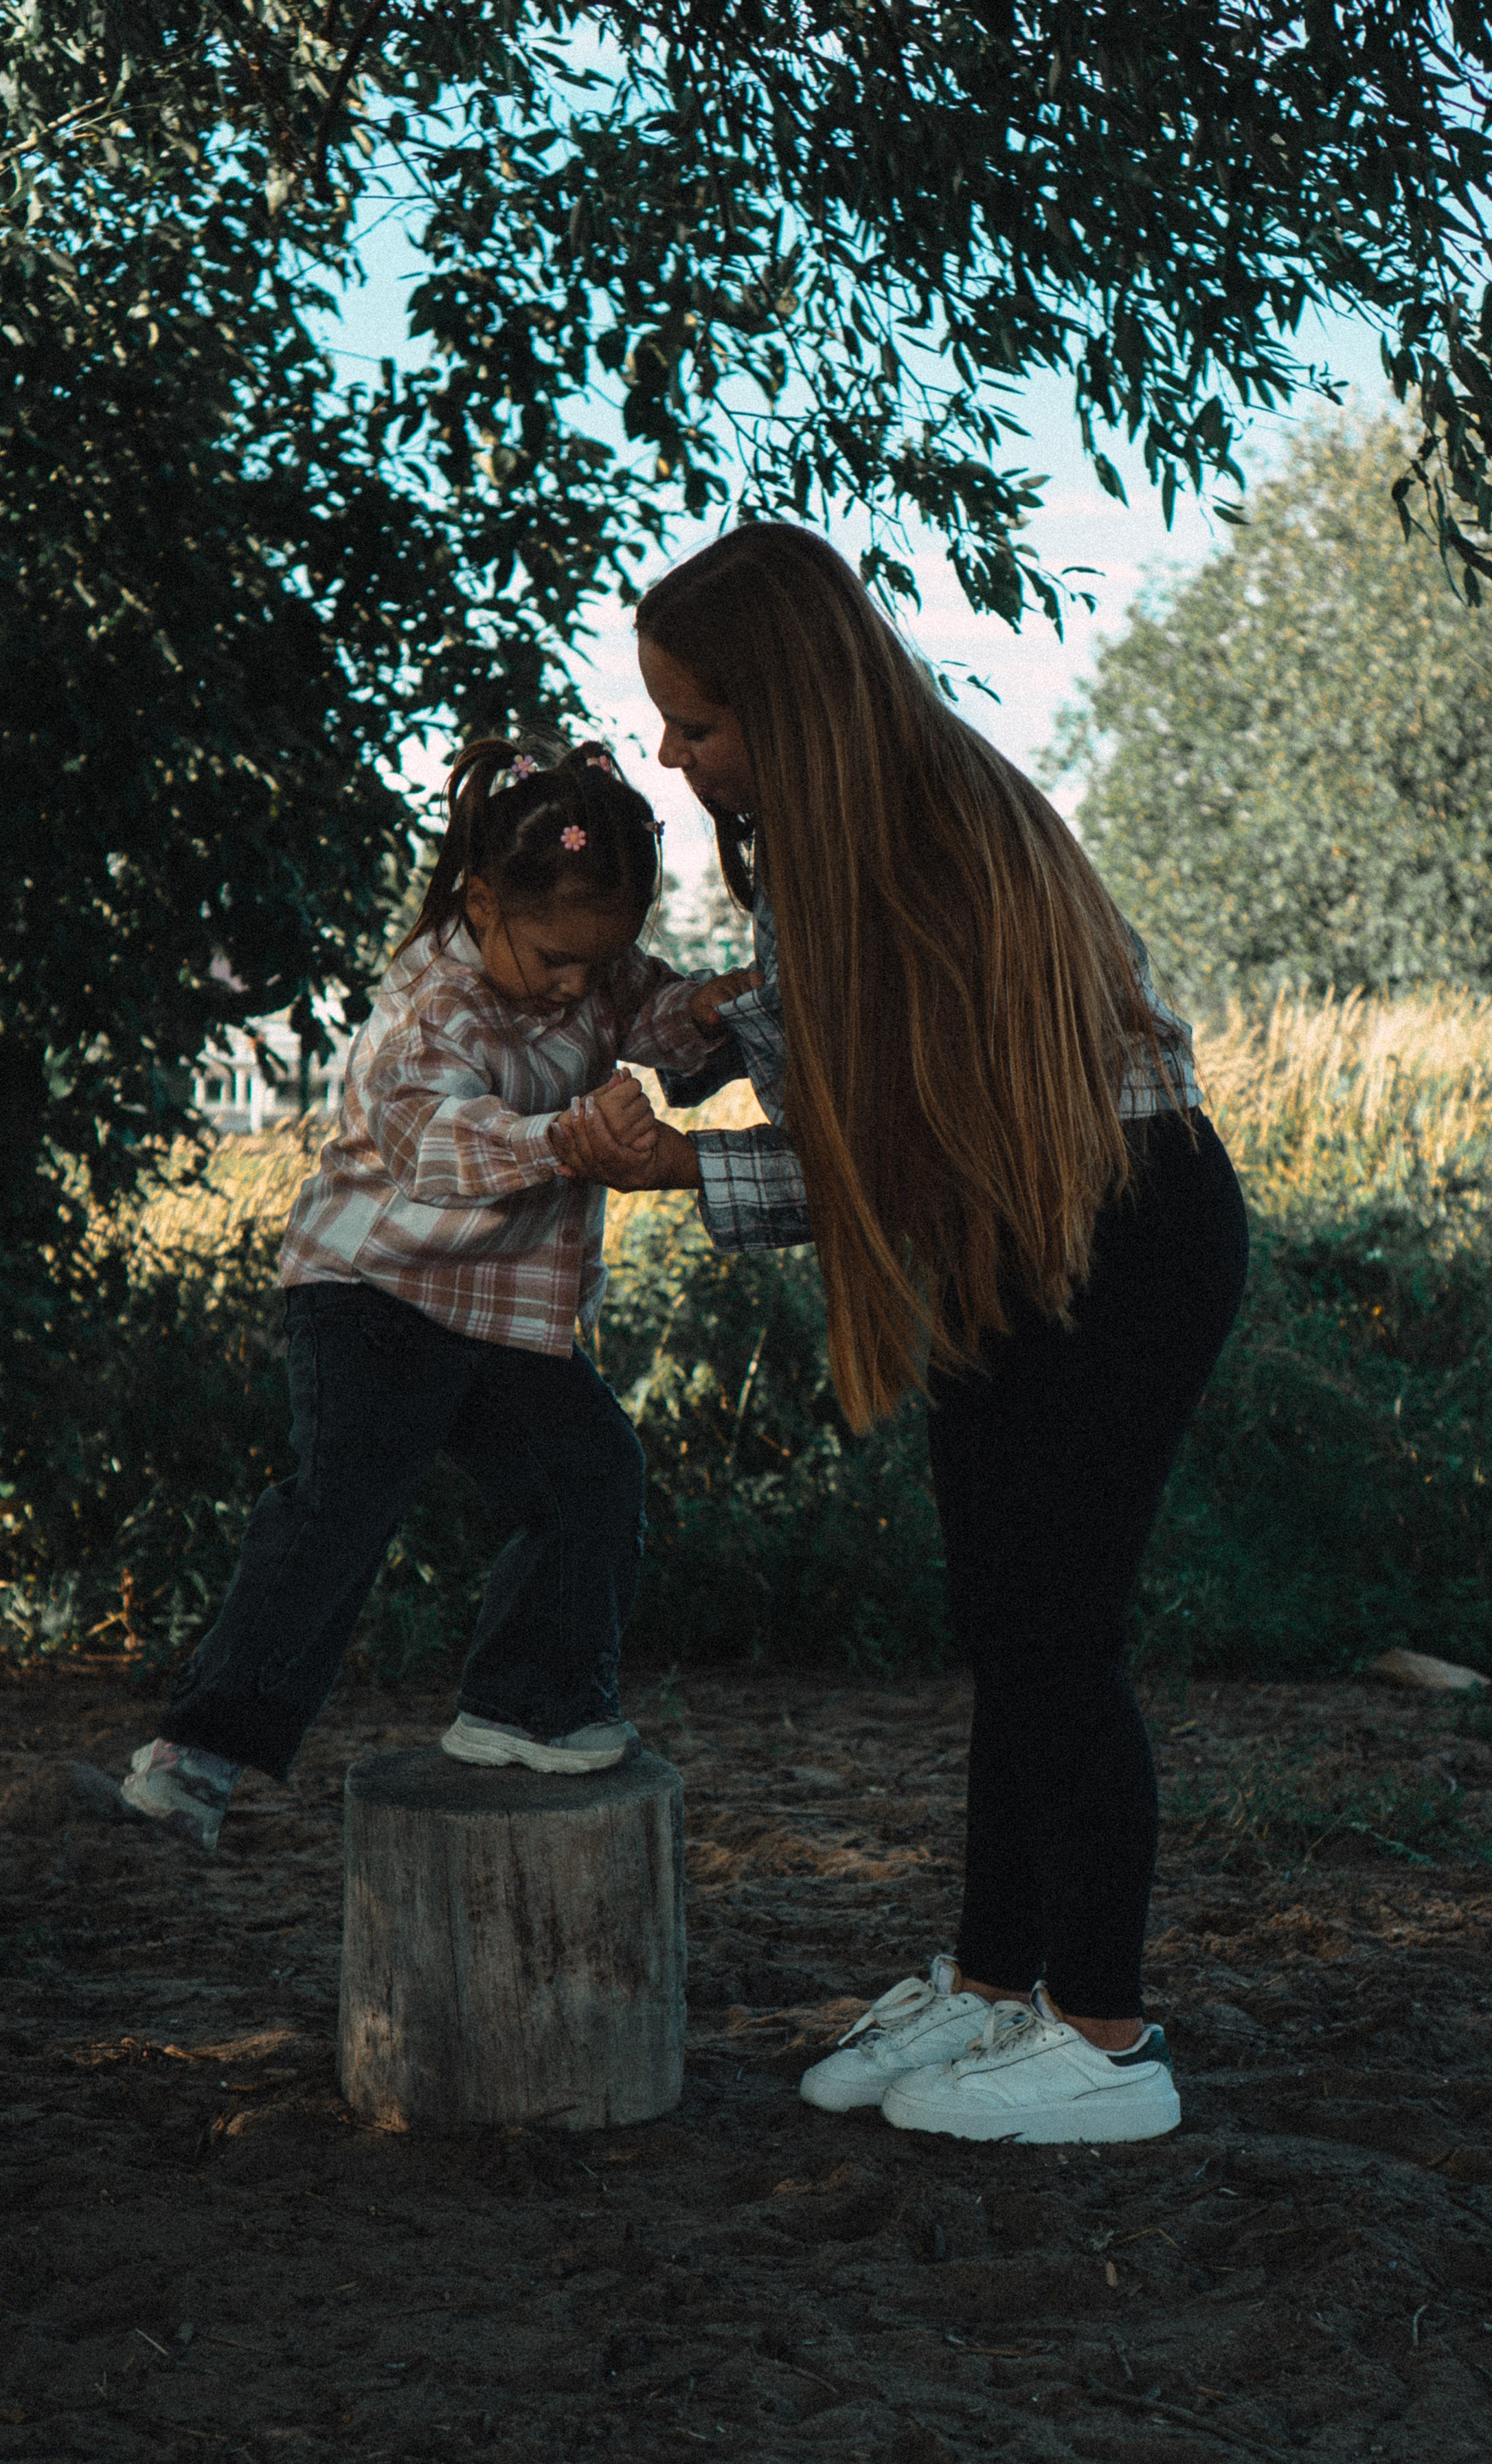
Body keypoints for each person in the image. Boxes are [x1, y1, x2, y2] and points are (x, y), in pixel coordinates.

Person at [553, 524, 1250, 2144]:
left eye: (700, 725)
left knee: (1056, 1629)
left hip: (1119, 1232)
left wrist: (684, 1161)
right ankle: (998, 1980)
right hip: (1024, 1239)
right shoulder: (837, 830)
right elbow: (861, 1041)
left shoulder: (928, 843)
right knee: (1003, 1616)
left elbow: (917, 1138)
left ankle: (1104, 2034)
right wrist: (731, 1020)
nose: (668, 750)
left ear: (794, 709)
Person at [121, 737, 756, 1855]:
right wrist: (568, 1135)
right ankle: (199, 1750)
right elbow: (437, 1146)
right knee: (343, 1503)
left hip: (500, 1309)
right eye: (556, 959)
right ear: (481, 899)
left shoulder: (594, 969)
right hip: (373, 1289)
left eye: (598, 962)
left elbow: (651, 1019)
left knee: (591, 1472)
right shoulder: (430, 1010)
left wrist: (716, 1008)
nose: (577, 985)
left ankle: (525, 1704)